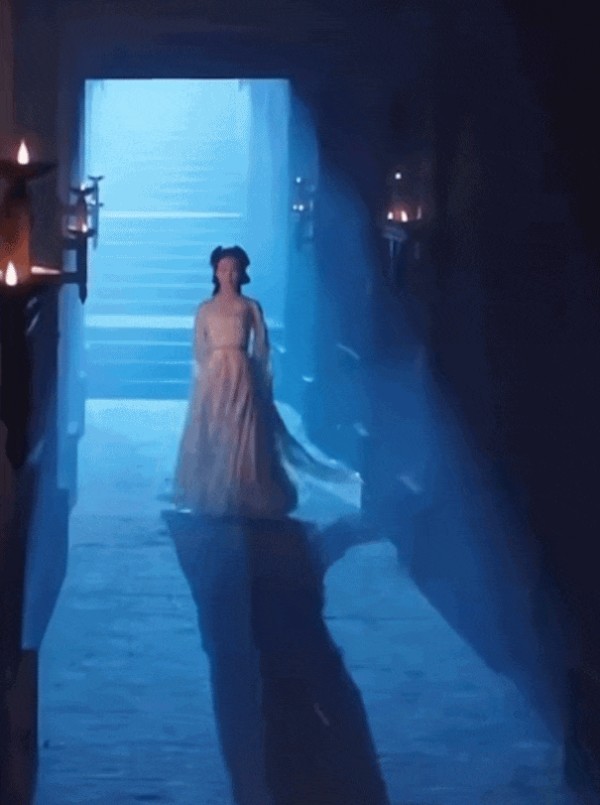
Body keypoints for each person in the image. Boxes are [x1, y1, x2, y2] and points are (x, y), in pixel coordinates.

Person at [174, 245, 355, 519]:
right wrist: (207, 375)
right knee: (215, 428)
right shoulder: (205, 309)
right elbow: (199, 346)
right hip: (214, 376)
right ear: (215, 272)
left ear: (242, 273)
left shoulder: (249, 307)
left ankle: (244, 489)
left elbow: (261, 347)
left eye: (234, 270)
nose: (229, 275)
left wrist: (259, 379)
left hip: (242, 372)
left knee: (243, 430)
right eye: (223, 269)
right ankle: (213, 490)